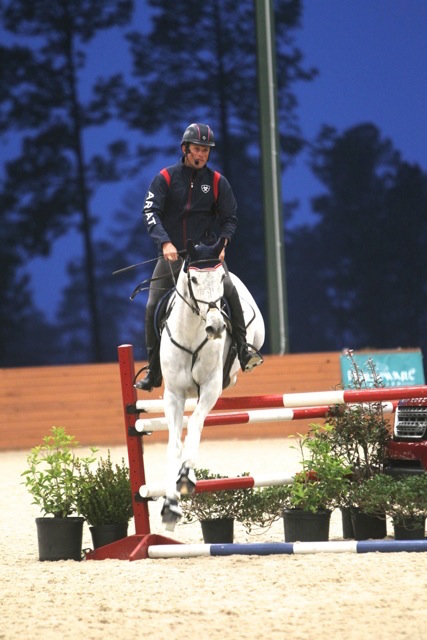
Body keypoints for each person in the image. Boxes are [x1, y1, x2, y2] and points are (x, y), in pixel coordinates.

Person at [136, 122, 263, 391]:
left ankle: (243, 350)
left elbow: (230, 218)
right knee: (151, 307)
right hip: (172, 256)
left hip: (206, 256)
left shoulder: (217, 182)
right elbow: (150, 213)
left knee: (229, 290)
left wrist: (224, 243)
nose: (202, 154)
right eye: (197, 149)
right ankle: (154, 371)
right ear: (185, 149)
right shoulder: (165, 178)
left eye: (206, 150)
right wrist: (165, 243)